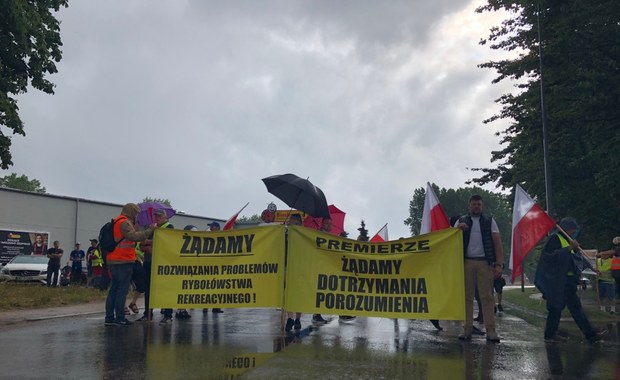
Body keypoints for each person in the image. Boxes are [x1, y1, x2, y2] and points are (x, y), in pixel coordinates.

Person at [534, 217, 606, 344]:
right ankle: (553, 335)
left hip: (569, 280)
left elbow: (577, 258)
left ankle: (588, 335)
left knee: (569, 308)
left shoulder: (570, 241)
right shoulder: (555, 239)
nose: (574, 232)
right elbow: (549, 258)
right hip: (560, 281)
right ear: (567, 229)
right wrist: (568, 249)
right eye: (573, 230)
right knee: (560, 308)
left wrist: (591, 268)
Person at [456, 194, 504, 343]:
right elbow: (451, 240)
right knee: (466, 297)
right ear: (469, 206)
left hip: (485, 263)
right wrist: (457, 230)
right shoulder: (460, 221)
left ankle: (491, 331)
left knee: (487, 297)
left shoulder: (489, 221)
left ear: (482, 206)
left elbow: (497, 242)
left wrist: (499, 264)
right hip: (466, 262)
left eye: (479, 204)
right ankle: (467, 328)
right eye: (474, 204)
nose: (476, 206)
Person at [105, 203, 156, 327]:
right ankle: (120, 318)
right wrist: (150, 230)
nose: (137, 215)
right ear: (131, 211)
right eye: (136, 212)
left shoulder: (117, 221)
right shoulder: (124, 222)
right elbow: (133, 237)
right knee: (121, 290)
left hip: (114, 259)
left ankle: (110, 318)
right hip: (122, 260)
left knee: (114, 290)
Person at [284, 214, 303, 332]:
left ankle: (298, 319)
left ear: (300, 224)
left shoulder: (304, 235)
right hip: (286, 266)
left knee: (298, 294)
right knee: (286, 293)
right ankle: (290, 317)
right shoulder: (284, 234)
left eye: (296, 223)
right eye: (292, 223)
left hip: (299, 267)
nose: (293, 225)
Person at [312, 217, 333, 324]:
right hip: (318, 266)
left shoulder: (331, 237)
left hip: (327, 267)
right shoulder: (318, 234)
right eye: (327, 223)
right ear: (322, 224)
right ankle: (316, 314)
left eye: (331, 224)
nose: (330, 226)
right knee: (319, 291)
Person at [206, 221, 224, 314]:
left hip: (218, 265)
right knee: (207, 286)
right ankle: (205, 306)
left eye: (212, 227)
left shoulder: (222, 237)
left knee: (217, 287)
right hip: (208, 265)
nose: (211, 228)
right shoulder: (206, 237)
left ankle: (216, 306)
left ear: (217, 228)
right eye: (210, 227)